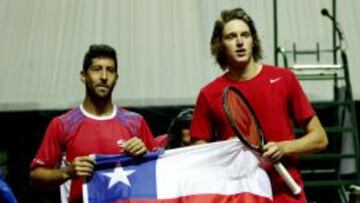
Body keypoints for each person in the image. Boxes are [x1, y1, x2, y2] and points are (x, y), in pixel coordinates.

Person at [189, 7, 328, 202]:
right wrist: (224, 152)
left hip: (286, 193)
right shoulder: (208, 94)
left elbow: (320, 138)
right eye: (231, 37)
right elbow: (199, 155)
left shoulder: (284, 79)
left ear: (253, 40)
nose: (239, 42)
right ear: (220, 45)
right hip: (240, 195)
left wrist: (284, 147)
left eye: (245, 35)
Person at [29, 44, 158, 203]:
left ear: (116, 78)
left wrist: (144, 156)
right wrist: (67, 172)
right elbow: (35, 177)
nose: (104, 76)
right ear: (83, 76)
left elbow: (159, 174)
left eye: (110, 70)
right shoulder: (63, 124)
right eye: (97, 69)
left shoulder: (135, 122)